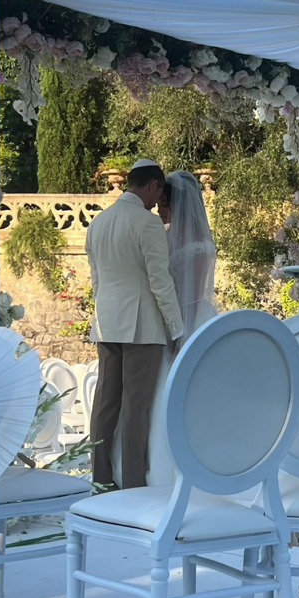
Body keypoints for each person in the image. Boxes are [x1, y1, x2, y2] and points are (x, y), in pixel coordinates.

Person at [112, 171, 217, 487]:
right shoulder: (163, 235)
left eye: (164, 206)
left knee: (178, 398)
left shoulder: (200, 245)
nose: (160, 211)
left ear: (179, 205)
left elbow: (194, 296)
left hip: (190, 324)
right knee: (148, 396)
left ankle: (175, 471)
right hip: (159, 324)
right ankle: (140, 467)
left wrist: (180, 334)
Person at [86, 160, 184, 489]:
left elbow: (96, 282)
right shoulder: (147, 223)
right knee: (135, 408)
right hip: (142, 326)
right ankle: (131, 484)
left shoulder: (97, 222)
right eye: (158, 194)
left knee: (105, 403)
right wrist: (176, 327)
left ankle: (99, 478)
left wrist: (103, 316)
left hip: (106, 323)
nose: (158, 203)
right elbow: (160, 282)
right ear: (154, 185)